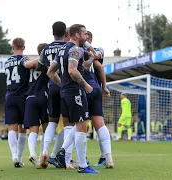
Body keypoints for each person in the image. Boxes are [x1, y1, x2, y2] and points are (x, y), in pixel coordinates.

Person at [47, 24, 99, 173]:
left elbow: (50, 72)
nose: (86, 37)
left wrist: (62, 85)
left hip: (67, 92)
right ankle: (83, 166)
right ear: (76, 35)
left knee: (79, 125)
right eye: (83, 34)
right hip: (75, 91)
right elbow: (72, 70)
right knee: (82, 126)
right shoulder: (75, 49)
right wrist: (86, 85)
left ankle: (62, 152)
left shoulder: (62, 49)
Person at [38, 22, 74, 169]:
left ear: (52, 32)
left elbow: (41, 66)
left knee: (52, 121)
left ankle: (45, 152)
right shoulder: (67, 46)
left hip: (52, 86)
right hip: (65, 86)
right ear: (65, 33)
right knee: (68, 123)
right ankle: (67, 159)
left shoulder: (46, 49)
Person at [83, 31, 113, 168]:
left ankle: (81, 158)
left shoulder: (93, 51)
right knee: (98, 124)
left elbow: (99, 65)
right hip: (95, 89)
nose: (86, 40)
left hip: (85, 89)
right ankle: (107, 157)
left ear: (91, 39)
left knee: (80, 124)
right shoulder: (86, 51)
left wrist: (104, 87)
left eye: (88, 38)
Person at [23, 43, 50, 168]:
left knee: (33, 129)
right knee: (45, 127)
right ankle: (43, 154)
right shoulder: (46, 64)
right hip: (43, 96)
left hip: (30, 97)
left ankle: (33, 154)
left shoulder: (31, 64)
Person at [4, 37, 29, 168]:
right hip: (23, 96)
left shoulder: (7, 62)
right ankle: (19, 158)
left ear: (12, 47)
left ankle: (14, 155)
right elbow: (28, 66)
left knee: (12, 127)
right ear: (24, 48)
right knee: (23, 129)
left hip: (9, 96)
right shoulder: (24, 59)